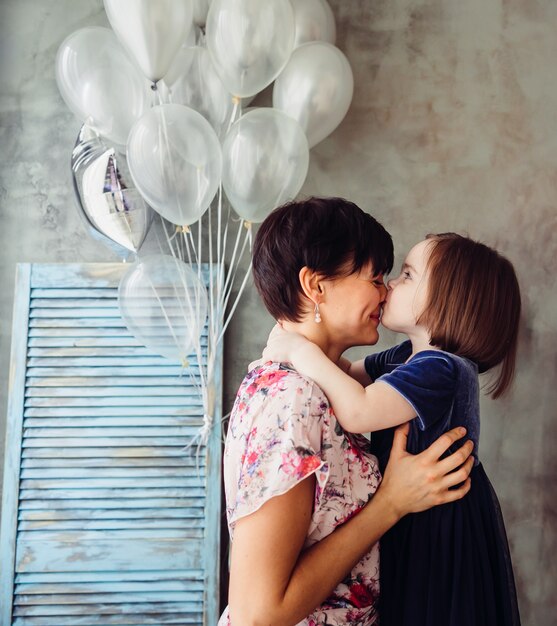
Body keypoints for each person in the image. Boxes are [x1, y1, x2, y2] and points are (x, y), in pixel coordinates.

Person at [219, 198, 476, 626]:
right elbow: (257, 615)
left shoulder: (320, 386)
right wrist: (389, 505)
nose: (385, 290)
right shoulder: (292, 400)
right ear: (316, 286)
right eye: (374, 277)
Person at [263, 231, 522, 625]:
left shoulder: (444, 369)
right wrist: (298, 334)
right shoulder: (409, 356)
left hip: (436, 528)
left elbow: (358, 411)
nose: (390, 286)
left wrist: (300, 351)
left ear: (447, 300)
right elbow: (347, 374)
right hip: (410, 508)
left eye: (407, 275)